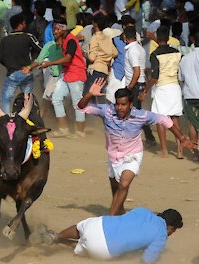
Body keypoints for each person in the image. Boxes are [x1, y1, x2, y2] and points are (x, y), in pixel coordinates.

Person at [77, 78, 196, 215]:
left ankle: (110, 218)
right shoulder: (107, 111)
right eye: (117, 104)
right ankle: (119, 211)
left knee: (124, 184)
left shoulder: (141, 115)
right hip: (113, 156)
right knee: (116, 189)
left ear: (131, 104)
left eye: (123, 105)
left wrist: (182, 138)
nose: (119, 108)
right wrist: (89, 95)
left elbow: (165, 120)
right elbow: (81, 107)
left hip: (132, 156)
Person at [36, 208, 183, 264]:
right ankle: (60, 242)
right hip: (102, 250)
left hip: (98, 226)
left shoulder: (143, 211)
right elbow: (146, 260)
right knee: (87, 247)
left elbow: (128, 224)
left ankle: (57, 236)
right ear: (171, 227)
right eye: (173, 231)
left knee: (82, 228)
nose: (170, 234)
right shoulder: (162, 235)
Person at [39, 17, 87, 138]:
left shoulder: (70, 40)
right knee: (56, 98)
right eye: (54, 29)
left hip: (76, 73)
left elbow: (68, 59)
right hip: (67, 73)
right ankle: (63, 129)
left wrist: (49, 64)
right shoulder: (64, 41)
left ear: (62, 29)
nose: (54, 31)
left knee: (77, 102)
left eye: (56, 29)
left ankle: (80, 132)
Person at [142, 26, 183, 158]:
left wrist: (145, 91)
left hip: (162, 88)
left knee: (161, 119)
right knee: (175, 117)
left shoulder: (155, 54)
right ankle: (180, 150)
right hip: (175, 86)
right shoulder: (177, 52)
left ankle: (164, 150)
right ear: (168, 38)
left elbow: (155, 76)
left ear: (157, 38)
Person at [0, 13, 41, 113]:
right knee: (27, 99)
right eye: (24, 23)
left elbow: (0, 58)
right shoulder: (28, 37)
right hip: (27, 72)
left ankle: (8, 121)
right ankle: (27, 119)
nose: (25, 25)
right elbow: (41, 50)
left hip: (12, 74)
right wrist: (33, 64)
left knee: (6, 99)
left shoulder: (5, 40)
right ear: (20, 25)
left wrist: (10, 66)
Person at [123, 26, 157, 147]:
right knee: (135, 112)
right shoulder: (140, 48)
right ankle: (147, 137)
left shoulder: (132, 51)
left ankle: (145, 138)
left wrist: (129, 87)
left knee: (134, 113)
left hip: (135, 85)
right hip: (139, 83)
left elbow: (136, 71)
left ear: (125, 36)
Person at [83, 13, 118, 96]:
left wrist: (84, 54)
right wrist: (106, 57)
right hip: (104, 71)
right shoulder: (107, 38)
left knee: (87, 96)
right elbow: (115, 53)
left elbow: (91, 58)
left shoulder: (95, 38)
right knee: (98, 98)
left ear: (95, 24)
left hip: (95, 70)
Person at [179, 31, 199, 161]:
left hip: (190, 95)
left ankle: (196, 153)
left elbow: (181, 78)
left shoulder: (185, 58)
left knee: (192, 123)